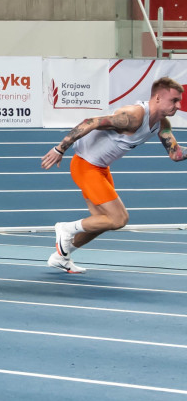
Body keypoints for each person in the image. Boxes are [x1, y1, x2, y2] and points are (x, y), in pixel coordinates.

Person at [41, 78, 183, 273]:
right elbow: (90, 122)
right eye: (174, 100)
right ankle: (65, 228)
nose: (178, 105)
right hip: (86, 166)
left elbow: (176, 154)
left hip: (101, 168)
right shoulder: (133, 117)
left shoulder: (162, 123)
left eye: (179, 101)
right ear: (158, 97)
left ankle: (60, 256)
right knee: (118, 219)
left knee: (100, 221)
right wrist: (60, 148)